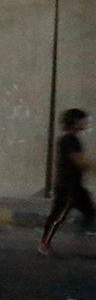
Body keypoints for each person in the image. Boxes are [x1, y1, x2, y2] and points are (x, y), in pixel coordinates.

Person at [38, 108, 95, 256]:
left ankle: (83, 244)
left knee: (90, 213)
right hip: (67, 187)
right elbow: (78, 161)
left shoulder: (74, 139)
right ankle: (44, 244)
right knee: (58, 217)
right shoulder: (68, 140)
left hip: (76, 187)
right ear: (75, 122)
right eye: (82, 119)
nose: (86, 122)